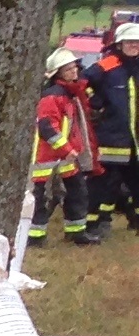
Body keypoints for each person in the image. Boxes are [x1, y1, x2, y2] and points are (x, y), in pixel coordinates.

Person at [33, 48, 98, 249]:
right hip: (46, 159)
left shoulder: (70, 94)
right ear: (58, 73)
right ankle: (34, 236)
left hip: (65, 158)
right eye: (68, 69)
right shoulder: (52, 97)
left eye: (74, 67)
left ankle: (76, 232)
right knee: (42, 198)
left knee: (77, 193)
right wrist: (66, 149)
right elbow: (47, 127)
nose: (74, 71)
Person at [90, 20, 139, 232]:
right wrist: (96, 103)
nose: (134, 45)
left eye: (137, 42)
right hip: (112, 138)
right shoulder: (107, 65)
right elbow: (82, 83)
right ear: (119, 44)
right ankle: (98, 221)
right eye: (130, 42)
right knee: (106, 182)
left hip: (134, 140)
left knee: (136, 182)